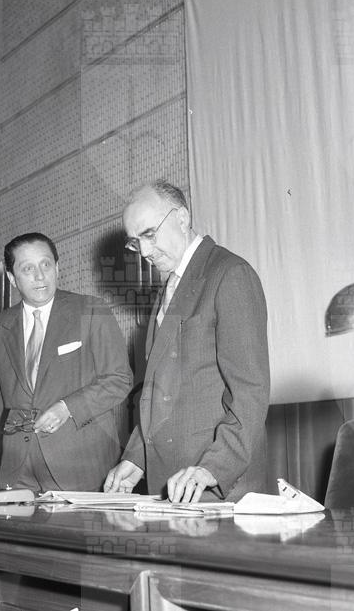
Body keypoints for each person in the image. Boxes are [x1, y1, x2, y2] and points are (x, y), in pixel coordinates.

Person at [104, 180, 270, 503]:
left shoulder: (229, 274)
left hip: (216, 487)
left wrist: (213, 468)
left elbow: (250, 392)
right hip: (173, 486)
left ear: (182, 218)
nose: (145, 252)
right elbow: (159, 393)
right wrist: (136, 458)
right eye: (135, 243)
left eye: (150, 234)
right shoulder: (169, 290)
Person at [0, 232, 133, 492]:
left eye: (46, 264)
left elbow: (119, 379)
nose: (40, 276)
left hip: (82, 466)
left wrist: (67, 407)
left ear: (57, 268)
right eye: (28, 269)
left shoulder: (91, 311)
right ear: (12, 278)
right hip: (17, 469)